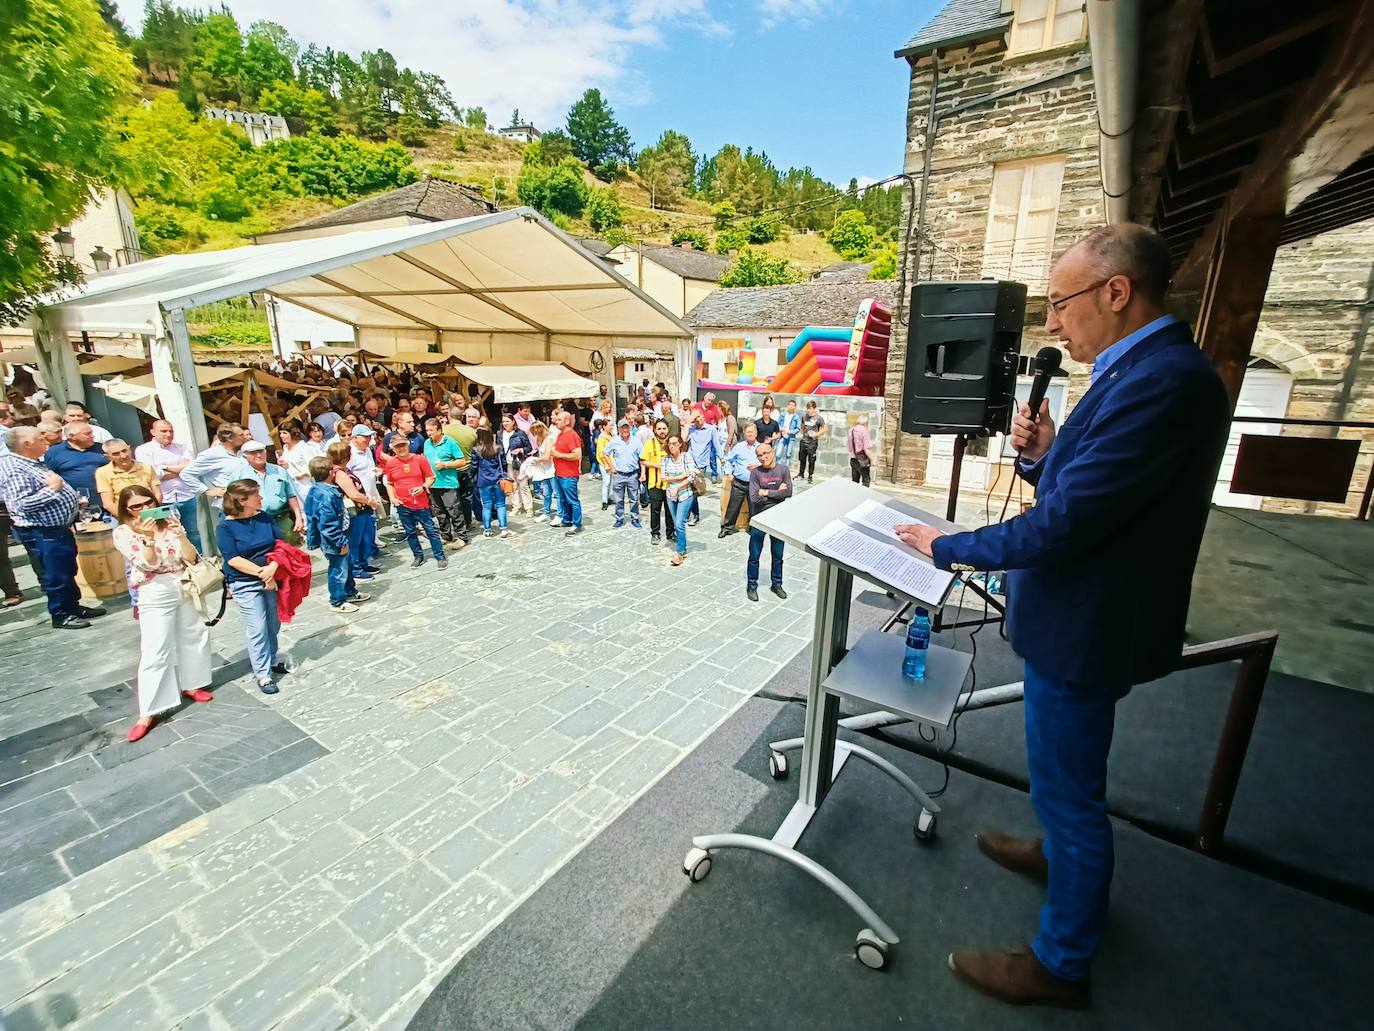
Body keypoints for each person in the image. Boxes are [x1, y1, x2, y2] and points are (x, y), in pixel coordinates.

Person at [893, 224, 1230, 1009]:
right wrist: (1046, 453)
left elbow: (1068, 525)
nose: (1051, 323)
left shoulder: (1165, 382)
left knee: (1073, 795)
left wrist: (951, 545)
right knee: (1066, 781)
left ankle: (1060, 961)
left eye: (1060, 303)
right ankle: (1058, 853)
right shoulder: (1139, 370)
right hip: (1086, 615)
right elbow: (1094, 494)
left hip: (1087, 628)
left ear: (1117, 292)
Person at [112, 484, 213, 742]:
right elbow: (148, 563)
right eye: (136, 506)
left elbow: (191, 557)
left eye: (148, 502)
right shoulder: (124, 532)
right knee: (156, 648)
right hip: (154, 587)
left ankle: (194, 683)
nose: (145, 509)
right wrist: (148, 539)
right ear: (127, 510)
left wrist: (180, 536)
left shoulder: (169, 520)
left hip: (182, 580)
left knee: (195, 633)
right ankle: (149, 710)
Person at [0, 427, 105, 629]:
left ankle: (72, 607)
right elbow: (21, 504)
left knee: (66, 569)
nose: (45, 440)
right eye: (40, 438)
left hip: (55, 529)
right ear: (26, 445)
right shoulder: (15, 469)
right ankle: (61, 614)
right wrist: (53, 490)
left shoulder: (31, 462)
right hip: (42, 532)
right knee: (56, 574)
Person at [217, 480, 288, 694]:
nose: (261, 498)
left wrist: (273, 567)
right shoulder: (225, 527)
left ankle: (272, 658)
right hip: (245, 582)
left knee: (273, 623)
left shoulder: (264, 518)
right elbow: (233, 559)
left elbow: (281, 545)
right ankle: (263, 674)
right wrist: (262, 573)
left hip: (272, 577)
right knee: (257, 627)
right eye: (256, 495)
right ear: (241, 501)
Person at [304, 456, 369, 613]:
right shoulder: (325, 495)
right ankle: (337, 600)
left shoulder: (320, 490)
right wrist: (340, 542)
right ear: (330, 473)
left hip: (341, 536)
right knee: (338, 569)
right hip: (334, 540)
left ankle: (349, 591)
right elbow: (327, 524)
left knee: (347, 565)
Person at [135, 420, 202, 551]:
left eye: (171, 431)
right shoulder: (144, 450)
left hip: (186, 497)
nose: (168, 434)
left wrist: (164, 468)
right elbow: (151, 474)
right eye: (164, 431)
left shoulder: (181, 447)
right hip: (163, 500)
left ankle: (198, 565)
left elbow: (192, 468)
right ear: (153, 432)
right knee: (165, 534)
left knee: (193, 534)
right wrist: (179, 470)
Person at [383, 434, 448, 567]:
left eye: (403, 445)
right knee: (410, 532)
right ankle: (418, 556)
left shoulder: (420, 459)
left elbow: (431, 477)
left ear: (408, 445)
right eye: (397, 446)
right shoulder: (391, 463)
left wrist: (423, 487)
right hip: (403, 503)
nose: (401, 448)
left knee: (430, 529)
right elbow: (390, 483)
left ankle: (439, 556)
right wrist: (392, 498)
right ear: (393, 449)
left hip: (420, 502)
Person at [235, 440, 305, 544]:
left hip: (282, 519)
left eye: (261, 451)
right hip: (256, 522)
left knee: (290, 553)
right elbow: (234, 501)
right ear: (245, 456)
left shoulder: (279, 471)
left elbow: (291, 495)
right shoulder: (239, 476)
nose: (258, 455)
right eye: (253, 453)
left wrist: (299, 518)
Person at [745, 442, 791, 601]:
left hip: (779, 518)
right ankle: (752, 586)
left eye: (766, 453)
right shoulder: (756, 473)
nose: (763, 457)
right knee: (754, 555)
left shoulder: (783, 470)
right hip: (759, 518)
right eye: (759, 455)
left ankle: (777, 584)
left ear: (772, 452)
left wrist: (765, 491)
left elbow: (789, 492)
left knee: (778, 555)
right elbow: (754, 499)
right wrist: (778, 491)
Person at [327, 440, 379, 580]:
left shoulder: (345, 470)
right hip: (354, 511)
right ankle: (356, 568)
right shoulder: (339, 473)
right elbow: (352, 494)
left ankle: (363, 563)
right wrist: (371, 501)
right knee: (355, 540)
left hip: (362, 508)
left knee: (365, 537)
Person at [181, 422, 248, 518]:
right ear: (229, 438)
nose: (245, 437)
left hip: (250, 504)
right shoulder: (212, 454)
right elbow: (186, 474)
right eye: (241, 435)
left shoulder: (244, 452)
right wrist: (206, 490)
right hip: (230, 507)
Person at [43, 421, 107, 517]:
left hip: (105, 502)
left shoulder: (101, 448)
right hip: (77, 506)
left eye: (91, 432)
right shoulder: (55, 452)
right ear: (71, 436)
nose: (92, 436)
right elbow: (51, 476)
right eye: (87, 434)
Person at [423, 418, 468, 544]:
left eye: (431, 430)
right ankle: (445, 535)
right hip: (433, 484)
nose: (428, 433)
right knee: (439, 512)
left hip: (448, 483)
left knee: (454, 511)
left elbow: (461, 461)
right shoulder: (427, 443)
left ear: (439, 430)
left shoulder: (450, 443)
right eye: (426, 430)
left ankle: (461, 537)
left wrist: (446, 465)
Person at [95, 439, 160, 518]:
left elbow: (158, 494)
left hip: (151, 514)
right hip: (123, 517)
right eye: (116, 454)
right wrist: (128, 520)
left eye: (124, 451)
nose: (123, 456)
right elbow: (108, 503)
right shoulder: (103, 472)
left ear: (129, 449)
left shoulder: (146, 467)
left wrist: (153, 514)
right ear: (108, 456)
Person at [660, 434, 697, 567]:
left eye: (675, 443)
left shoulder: (686, 457)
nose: (672, 446)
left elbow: (692, 475)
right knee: (676, 523)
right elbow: (663, 478)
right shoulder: (665, 459)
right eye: (670, 444)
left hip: (685, 494)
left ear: (680, 444)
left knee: (680, 523)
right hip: (671, 495)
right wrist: (680, 477)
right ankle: (683, 545)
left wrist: (679, 485)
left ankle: (680, 552)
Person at [472, 428, 516, 540]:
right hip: (498, 479)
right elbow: (504, 464)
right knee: (500, 505)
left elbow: (473, 467)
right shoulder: (498, 448)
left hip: (483, 481)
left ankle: (487, 530)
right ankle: (504, 529)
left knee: (486, 505)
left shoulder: (476, 450)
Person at [719, 422, 761, 537]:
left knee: (754, 507)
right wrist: (729, 473)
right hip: (739, 482)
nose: (750, 434)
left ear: (756, 433)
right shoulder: (738, 447)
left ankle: (753, 529)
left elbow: (767, 463)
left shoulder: (760, 447)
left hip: (754, 483)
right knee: (733, 506)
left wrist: (757, 466)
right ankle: (726, 528)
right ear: (744, 433)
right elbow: (728, 460)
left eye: (752, 432)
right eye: (748, 432)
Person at [640, 418, 676, 546]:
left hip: (671, 483)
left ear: (668, 429)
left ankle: (670, 532)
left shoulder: (672, 442)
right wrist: (657, 466)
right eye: (659, 428)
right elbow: (643, 460)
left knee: (670, 510)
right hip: (654, 484)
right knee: (655, 509)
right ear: (654, 430)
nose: (661, 431)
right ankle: (655, 533)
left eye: (664, 428)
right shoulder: (650, 443)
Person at [604, 419, 643, 529]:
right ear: (619, 429)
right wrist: (612, 467)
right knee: (619, 499)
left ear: (630, 428)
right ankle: (619, 518)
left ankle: (635, 518)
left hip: (632, 474)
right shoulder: (614, 441)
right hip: (619, 474)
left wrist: (643, 473)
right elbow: (605, 453)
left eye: (626, 427)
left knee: (634, 498)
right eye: (622, 428)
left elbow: (642, 458)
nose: (625, 430)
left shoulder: (636, 441)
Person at [551, 411, 584, 536]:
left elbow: (577, 454)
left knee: (572, 500)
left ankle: (576, 524)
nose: (556, 421)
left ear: (567, 421)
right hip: (559, 473)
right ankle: (567, 520)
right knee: (563, 499)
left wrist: (559, 455)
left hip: (569, 474)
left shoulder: (572, 435)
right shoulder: (561, 434)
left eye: (559, 420)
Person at [498, 413, 533, 517]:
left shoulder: (520, 433)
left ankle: (528, 507)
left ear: (513, 422)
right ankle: (516, 506)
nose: (505, 423)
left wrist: (521, 450)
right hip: (507, 463)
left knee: (523, 485)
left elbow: (529, 447)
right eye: (503, 421)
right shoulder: (500, 433)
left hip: (519, 462)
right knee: (512, 485)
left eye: (507, 421)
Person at [525, 421, 558, 523]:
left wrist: (535, 460)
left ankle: (560, 513)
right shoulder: (540, 439)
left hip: (552, 469)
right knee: (546, 493)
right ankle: (546, 512)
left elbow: (548, 456)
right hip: (544, 470)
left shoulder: (549, 439)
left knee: (556, 493)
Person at [278, 423, 320, 500]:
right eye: (280, 433)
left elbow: (314, 467)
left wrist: (301, 475)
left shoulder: (304, 447)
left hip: (306, 484)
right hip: (292, 483)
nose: (281, 436)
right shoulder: (285, 447)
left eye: (284, 433)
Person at [798, 400, 826, 483]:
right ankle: (801, 474)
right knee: (802, 458)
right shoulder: (804, 416)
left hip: (812, 443)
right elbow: (802, 426)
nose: (808, 410)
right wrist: (803, 433)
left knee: (811, 460)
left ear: (814, 409)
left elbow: (825, 429)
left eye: (810, 409)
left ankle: (810, 475)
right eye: (807, 408)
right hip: (804, 441)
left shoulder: (819, 418)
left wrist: (816, 434)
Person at [847, 413, 875, 485]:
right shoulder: (864, 432)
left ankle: (855, 495)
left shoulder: (851, 430)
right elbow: (867, 449)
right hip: (862, 460)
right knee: (866, 480)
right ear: (866, 423)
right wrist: (872, 460)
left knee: (855, 481)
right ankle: (863, 496)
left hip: (853, 459)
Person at [778, 400, 802, 466]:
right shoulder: (782, 415)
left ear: (795, 407)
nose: (791, 407)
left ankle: (786, 470)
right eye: (790, 405)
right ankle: (778, 469)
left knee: (788, 454)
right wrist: (781, 429)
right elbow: (777, 424)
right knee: (778, 453)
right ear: (788, 406)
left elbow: (798, 428)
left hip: (791, 438)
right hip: (782, 436)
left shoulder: (796, 417)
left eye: (793, 405)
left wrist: (790, 432)